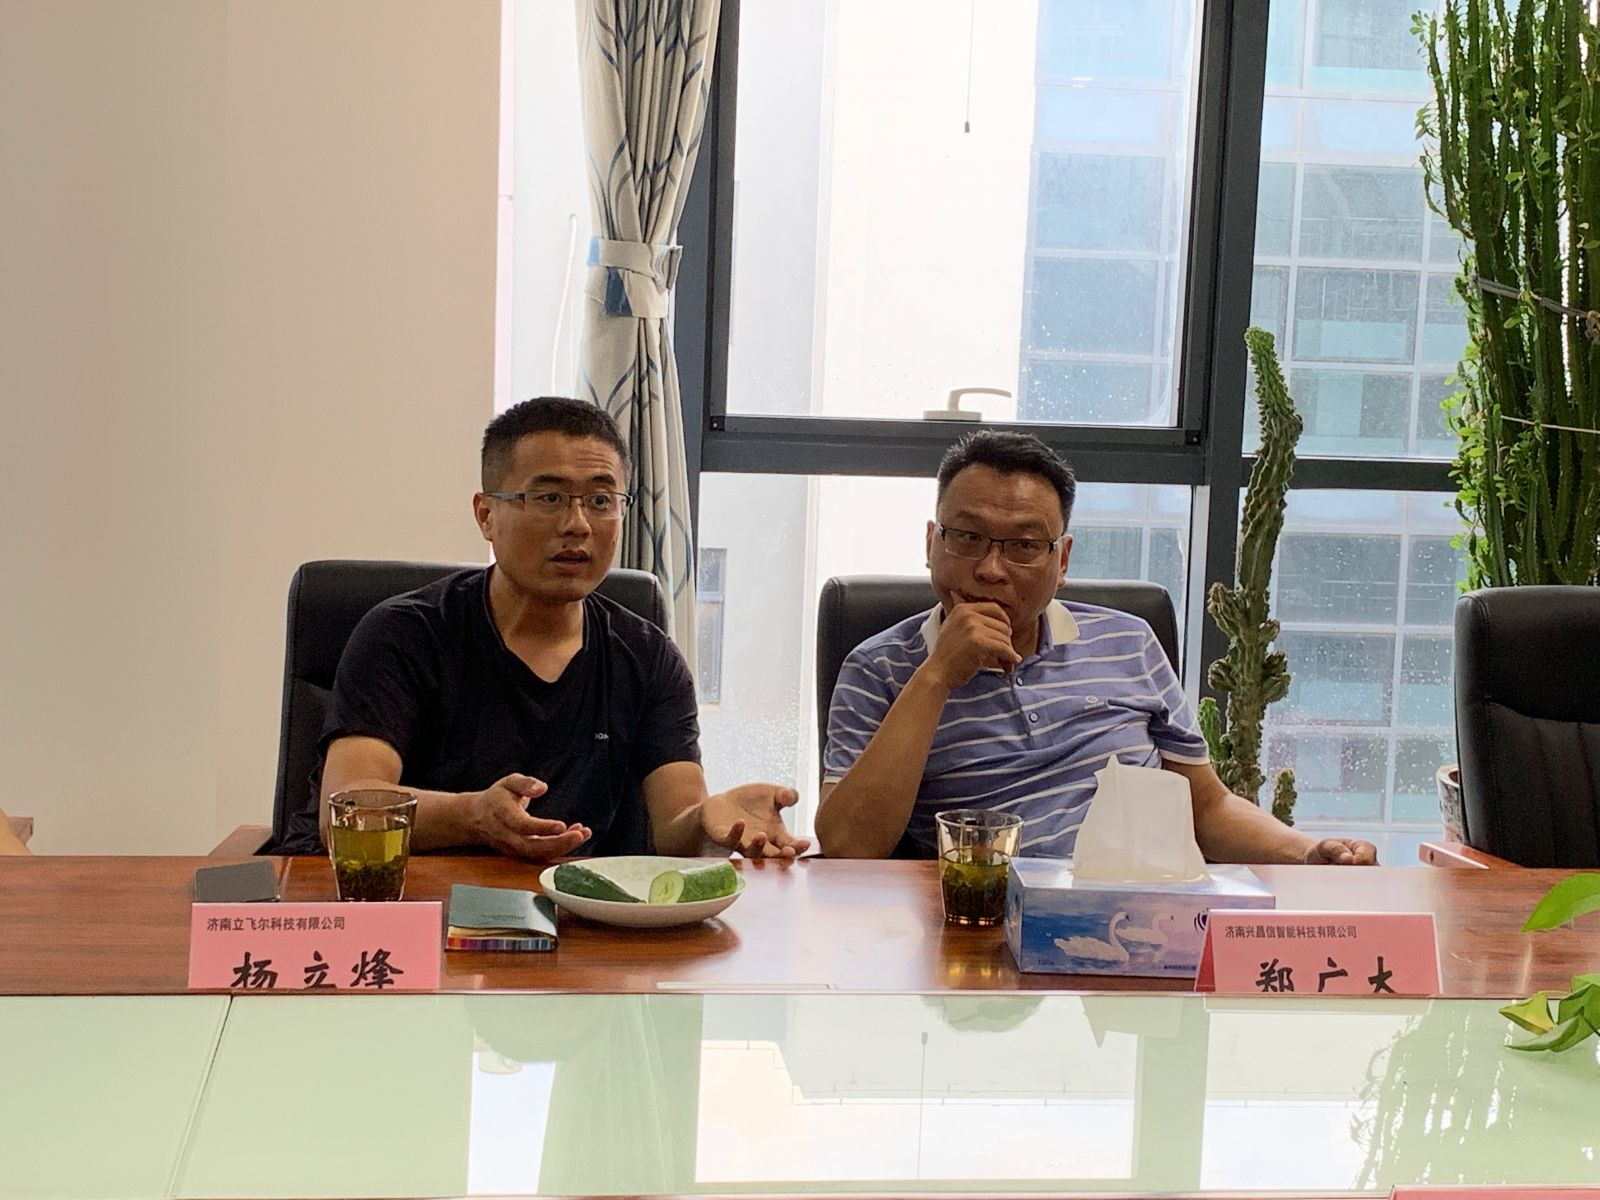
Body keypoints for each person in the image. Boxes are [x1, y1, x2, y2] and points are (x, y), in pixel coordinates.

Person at [816, 430, 1377, 867]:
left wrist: (1308, 852)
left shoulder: (1129, 641)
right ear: (930, 543)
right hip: (979, 928)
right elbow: (848, 846)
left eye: (1024, 545)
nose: (990, 569)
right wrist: (937, 675)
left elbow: (1206, 806)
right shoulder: (876, 668)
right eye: (967, 537)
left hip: (1141, 911)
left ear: (1061, 561)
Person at [318, 397, 810, 861]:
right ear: (486, 515)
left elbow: (675, 826)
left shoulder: (648, 657)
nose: (578, 524)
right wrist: (474, 816)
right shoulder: (404, 634)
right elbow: (348, 810)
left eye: (600, 499)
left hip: (583, 910)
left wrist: (708, 821)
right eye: (550, 497)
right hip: (424, 905)